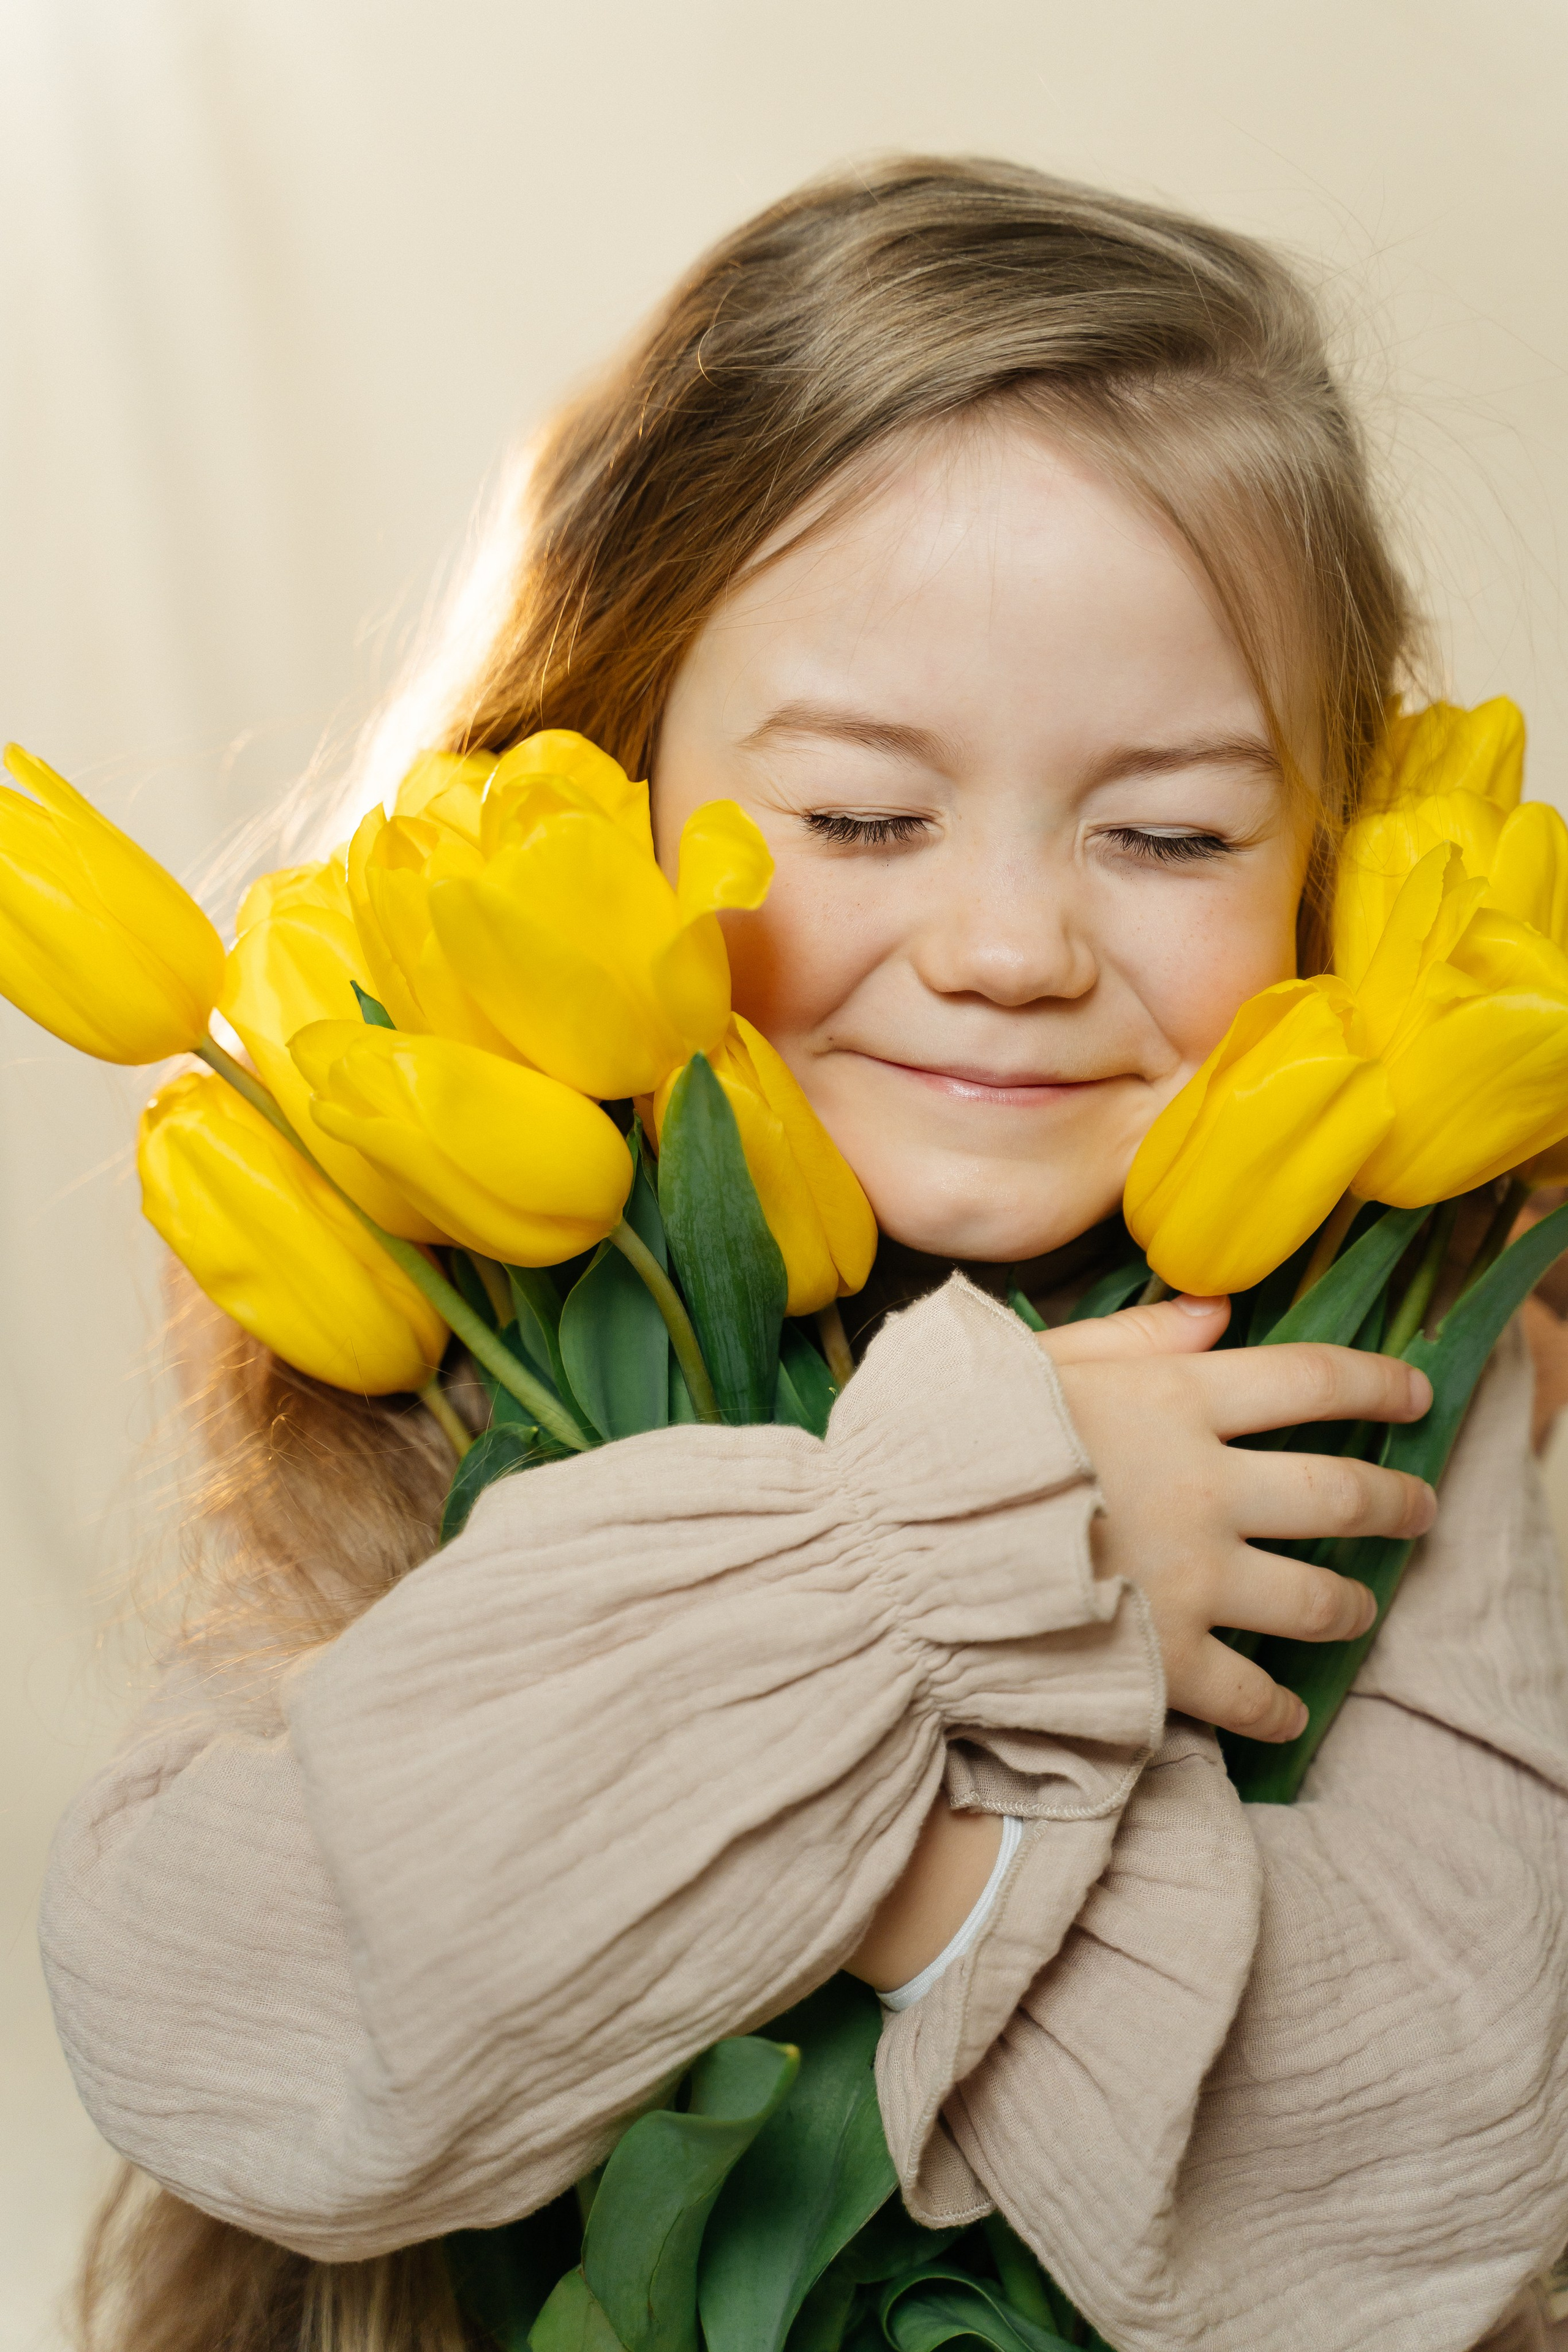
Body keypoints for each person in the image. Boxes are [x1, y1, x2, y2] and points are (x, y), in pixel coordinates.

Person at [40, 156, 1568, 2352]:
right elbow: (229, 2020)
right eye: (860, 818)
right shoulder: (453, 1301)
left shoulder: (1417, 1361)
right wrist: (973, 1537)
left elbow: (1436, 2158)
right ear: (602, 775)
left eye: (1168, 833)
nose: (1014, 948)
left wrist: (865, 1849)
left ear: (1335, 843)